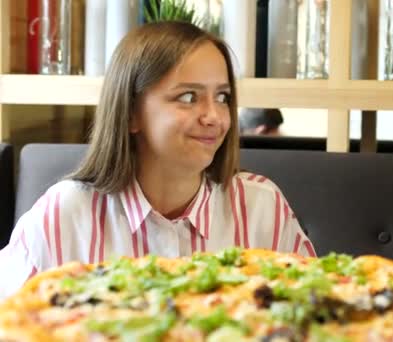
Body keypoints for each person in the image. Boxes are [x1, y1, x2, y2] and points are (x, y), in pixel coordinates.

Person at [0, 22, 315, 299]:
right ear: (131, 113)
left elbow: (318, 317)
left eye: (222, 97)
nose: (214, 117)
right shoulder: (62, 215)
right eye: (188, 97)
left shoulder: (264, 208)